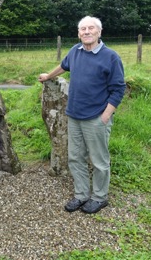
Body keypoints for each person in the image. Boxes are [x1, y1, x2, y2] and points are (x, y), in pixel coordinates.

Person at [38, 16, 126, 214]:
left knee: (99, 160)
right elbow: (63, 65)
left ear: (99, 32)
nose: (86, 32)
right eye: (82, 29)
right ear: (79, 33)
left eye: (90, 28)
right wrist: (48, 76)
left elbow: (119, 89)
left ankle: (99, 197)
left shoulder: (110, 57)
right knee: (75, 157)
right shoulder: (74, 52)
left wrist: (106, 116)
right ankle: (81, 194)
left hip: (96, 117)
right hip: (74, 116)